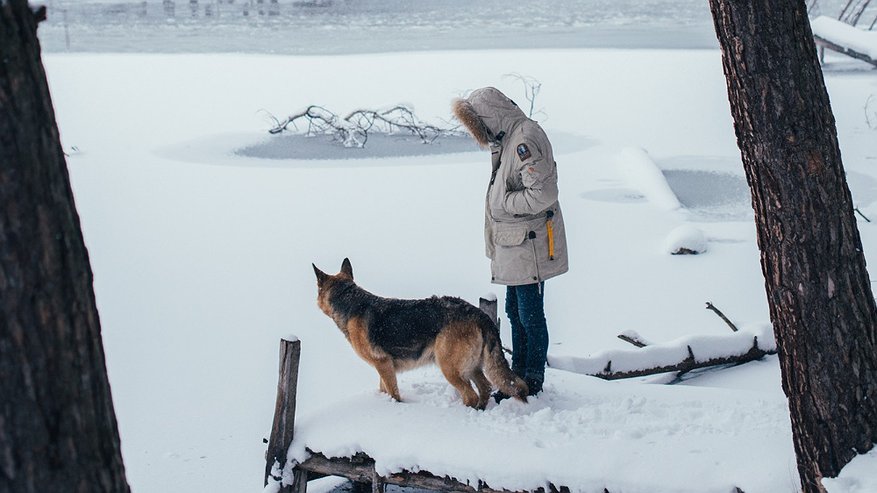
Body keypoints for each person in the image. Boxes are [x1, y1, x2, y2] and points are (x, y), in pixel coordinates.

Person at [452, 87, 568, 399]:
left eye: (479, 124)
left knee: (529, 314)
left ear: (490, 116)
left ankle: (533, 377)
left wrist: (504, 203)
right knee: (516, 312)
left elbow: (543, 195)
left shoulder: (523, 140)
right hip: (514, 245)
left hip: (530, 244)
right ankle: (518, 374)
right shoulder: (508, 140)